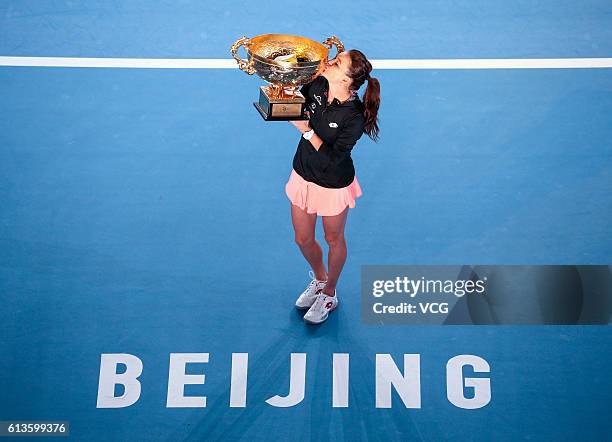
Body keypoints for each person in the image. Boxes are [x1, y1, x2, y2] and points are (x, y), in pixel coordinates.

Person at [286, 49, 381, 324]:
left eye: (336, 63)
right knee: (302, 239)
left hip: (333, 184)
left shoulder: (354, 117)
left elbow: (332, 158)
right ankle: (319, 278)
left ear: (347, 79)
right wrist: (285, 88)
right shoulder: (318, 85)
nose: (328, 63)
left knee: (333, 239)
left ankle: (329, 293)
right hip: (303, 174)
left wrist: (307, 130)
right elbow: (293, 99)